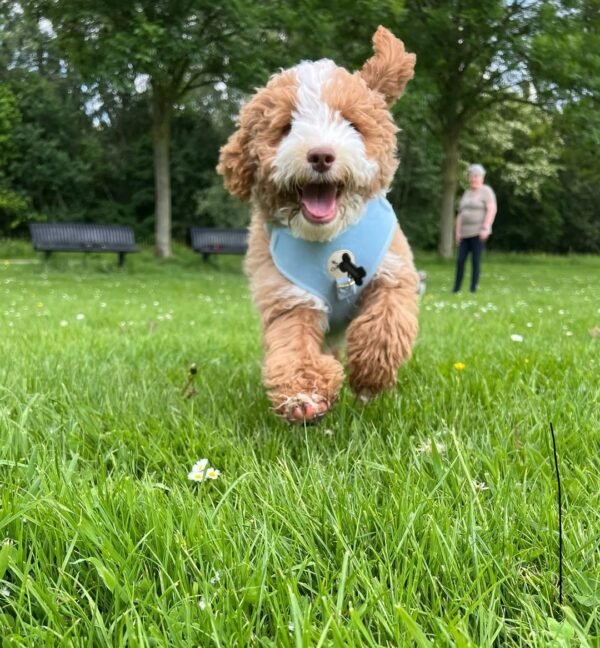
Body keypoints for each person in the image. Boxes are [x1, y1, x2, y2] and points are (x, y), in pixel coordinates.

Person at [452, 164, 497, 293]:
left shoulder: (486, 191)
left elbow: (491, 209)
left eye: (476, 176)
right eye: (471, 176)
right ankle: (456, 288)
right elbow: (460, 214)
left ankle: (473, 288)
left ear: (482, 177)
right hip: (464, 234)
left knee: (475, 261)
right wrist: (458, 232)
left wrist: (486, 227)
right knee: (460, 261)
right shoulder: (467, 193)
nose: (473, 179)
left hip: (478, 232)